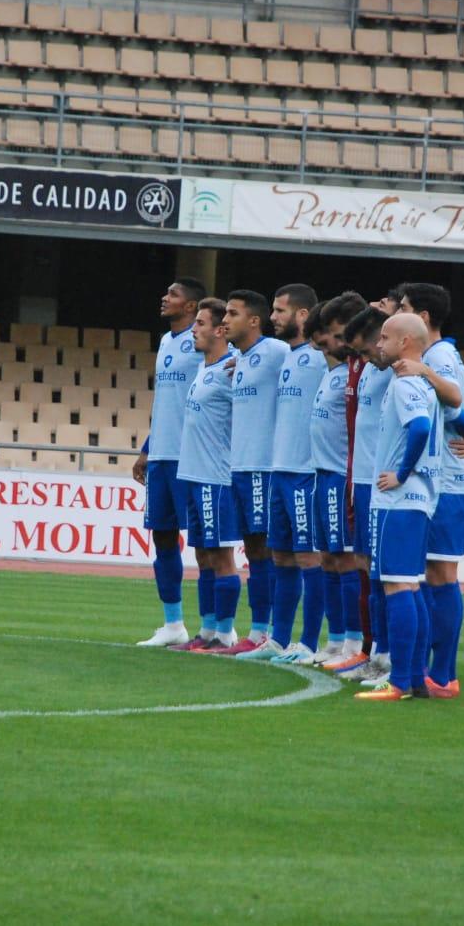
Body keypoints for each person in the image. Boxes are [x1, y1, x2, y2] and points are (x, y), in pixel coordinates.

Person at [394, 283, 464, 698]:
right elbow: (459, 414)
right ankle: (430, 669)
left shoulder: (439, 356)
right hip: (442, 479)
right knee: (430, 573)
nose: (400, 310)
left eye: (406, 307)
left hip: (449, 481)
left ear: (423, 318)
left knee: (441, 572)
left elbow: (454, 402)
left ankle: (444, 674)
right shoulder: (440, 354)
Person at [355, 313, 442, 702]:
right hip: (417, 501)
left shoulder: (407, 383)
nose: (379, 344)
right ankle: (416, 679)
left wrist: (402, 473)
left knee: (396, 586)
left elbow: (420, 428)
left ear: (406, 342)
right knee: (410, 584)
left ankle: (402, 681)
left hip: (399, 500)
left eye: (386, 337)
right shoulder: (421, 383)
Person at [237, 283, 325, 663]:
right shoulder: (287, 356)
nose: (273, 318)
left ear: (303, 315)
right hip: (279, 470)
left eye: (280, 310)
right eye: (272, 310)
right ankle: (279, 639)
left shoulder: (320, 358)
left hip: (306, 471)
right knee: (282, 559)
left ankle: (310, 643)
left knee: (309, 559)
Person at [133, 278, 207, 648]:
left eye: (174, 294)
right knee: (163, 536)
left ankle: (216, 627)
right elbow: (166, 401)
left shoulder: (203, 342)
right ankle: (173, 624)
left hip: (191, 455)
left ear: (191, 306)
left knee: (206, 543)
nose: (165, 297)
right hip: (162, 455)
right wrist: (147, 448)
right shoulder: (165, 342)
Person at [169, 298, 243, 652]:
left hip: (217, 477)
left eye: (200, 324)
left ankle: (227, 633)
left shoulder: (234, 367)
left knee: (223, 555)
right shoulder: (205, 368)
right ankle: (207, 631)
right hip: (194, 475)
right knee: (203, 556)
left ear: (219, 330)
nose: (193, 330)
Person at [220, 290, 289, 654]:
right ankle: (260, 629)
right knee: (253, 549)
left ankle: (271, 630)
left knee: (265, 550)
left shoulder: (277, 352)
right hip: (240, 466)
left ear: (254, 321)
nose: (224, 320)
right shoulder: (241, 359)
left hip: (263, 466)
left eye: (232, 313)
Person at [329, 305, 394, 682]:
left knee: (386, 575)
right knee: (369, 571)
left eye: (367, 350)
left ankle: (387, 654)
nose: (364, 359)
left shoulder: (401, 371)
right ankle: (375, 651)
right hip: (364, 480)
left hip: (383, 483)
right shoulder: (371, 368)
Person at [302, 291, 368, 667]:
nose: (333, 340)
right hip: (321, 476)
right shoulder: (333, 374)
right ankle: (336, 638)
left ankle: (353, 642)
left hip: (342, 477)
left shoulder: (355, 374)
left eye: (337, 332)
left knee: (345, 560)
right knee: (328, 558)